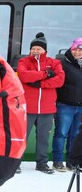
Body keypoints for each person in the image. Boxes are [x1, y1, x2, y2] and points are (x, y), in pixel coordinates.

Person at [17, 32, 65, 174]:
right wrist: (45, 74)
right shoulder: (24, 62)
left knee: (44, 138)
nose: (35, 51)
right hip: (28, 107)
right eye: (33, 49)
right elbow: (24, 76)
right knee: (22, 137)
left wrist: (39, 84)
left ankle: (42, 164)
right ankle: (16, 162)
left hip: (47, 109)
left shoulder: (54, 63)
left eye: (39, 49)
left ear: (45, 51)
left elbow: (60, 80)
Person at [52, 38, 82, 172]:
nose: (77, 52)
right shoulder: (63, 63)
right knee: (61, 133)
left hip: (80, 106)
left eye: (80, 50)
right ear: (71, 48)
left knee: (75, 135)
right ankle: (58, 161)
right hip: (65, 105)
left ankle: (71, 161)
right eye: (75, 49)